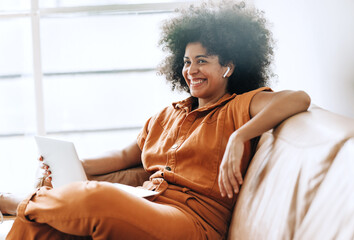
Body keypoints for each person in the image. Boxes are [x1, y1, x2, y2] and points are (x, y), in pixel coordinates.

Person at [0, 1, 311, 239]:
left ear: (228, 67)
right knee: (42, 228)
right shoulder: (168, 113)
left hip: (193, 221)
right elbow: (124, 156)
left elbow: (298, 98)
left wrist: (240, 136)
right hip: (148, 201)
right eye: (187, 62)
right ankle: (30, 207)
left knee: (95, 198)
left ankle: (18, 204)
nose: (191, 70)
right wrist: (69, 163)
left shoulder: (238, 106)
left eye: (202, 61)